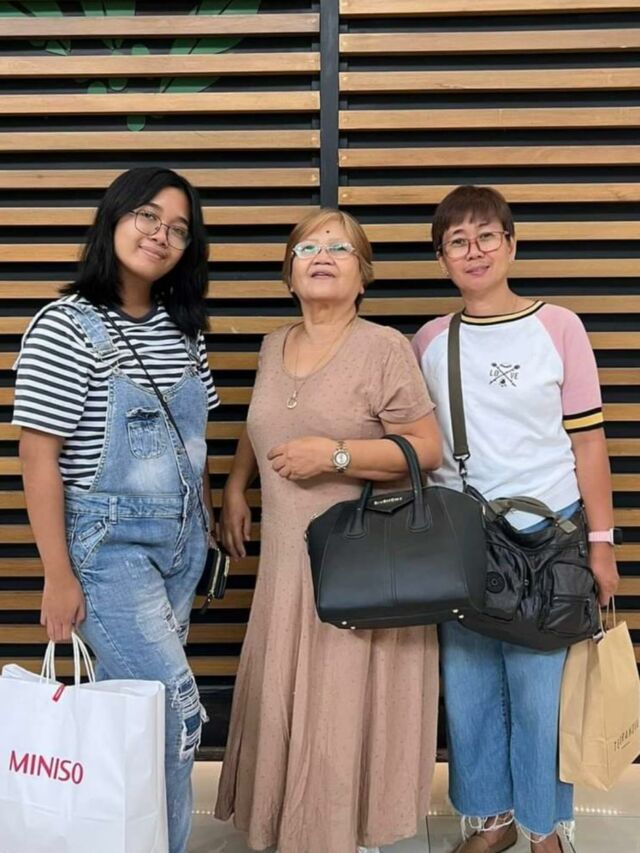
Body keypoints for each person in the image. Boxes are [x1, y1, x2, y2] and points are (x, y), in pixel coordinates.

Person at [214, 208, 442, 853]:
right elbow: (262, 424)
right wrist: (235, 485)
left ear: (362, 275)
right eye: (307, 248)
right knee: (289, 704)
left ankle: (341, 835)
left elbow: (426, 449)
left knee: (340, 707)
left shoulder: (384, 348)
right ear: (289, 274)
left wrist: (335, 455)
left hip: (357, 569)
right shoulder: (273, 344)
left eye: (339, 249)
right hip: (284, 569)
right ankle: (291, 830)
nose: (321, 257)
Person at [13, 167, 219, 853]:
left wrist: (208, 520)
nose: (161, 235)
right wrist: (57, 574)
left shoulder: (184, 329)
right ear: (114, 218)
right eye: (147, 216)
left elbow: (195, 440)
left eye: (179, 229)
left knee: (135, 721)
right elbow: (37, 456)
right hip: (107, 551)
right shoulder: (66, 325)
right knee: (174, 716)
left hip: (182, 549)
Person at [412, 186, 619, 853]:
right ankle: (490, 821)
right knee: (469, 685)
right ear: (442, 257)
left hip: (550, 532)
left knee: (539, 693)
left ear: (511, 244)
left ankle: (542, 829)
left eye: (486, 236)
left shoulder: (559, 327)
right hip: (461, 539)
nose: (473, 251)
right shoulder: (430, 340)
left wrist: (602, 543)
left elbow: (589, 443)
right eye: (457, 241)